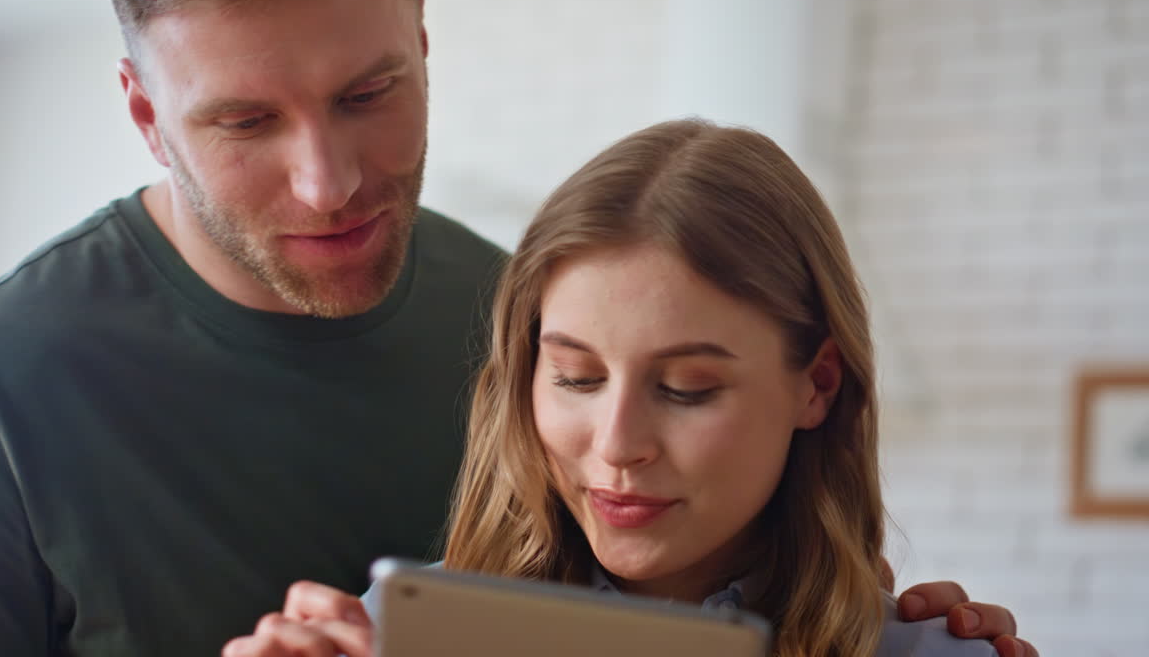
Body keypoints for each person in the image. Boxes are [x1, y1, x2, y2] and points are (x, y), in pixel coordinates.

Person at [0, 0, 1029, 656]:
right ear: (143, 113)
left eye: (371, 91)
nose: (328, 183)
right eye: (244, 121)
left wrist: (860, 616)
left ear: (423, 45)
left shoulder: (511, 306)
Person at [223, 120, 1037, 657]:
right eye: (576, 376)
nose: (615, 445)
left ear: (816, 385)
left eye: (687, 388)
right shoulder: (392, 635)